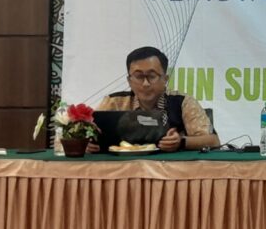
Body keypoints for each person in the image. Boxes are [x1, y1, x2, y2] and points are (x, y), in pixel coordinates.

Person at [90, 46, 220, 152]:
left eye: (152, 76)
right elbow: (89, 134)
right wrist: (87, 144)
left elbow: (213, 141)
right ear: (129, 81)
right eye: (139, 76)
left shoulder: (182, 101)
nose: (145, 83)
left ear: (165, 79)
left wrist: (181, 142)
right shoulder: (114, 102)